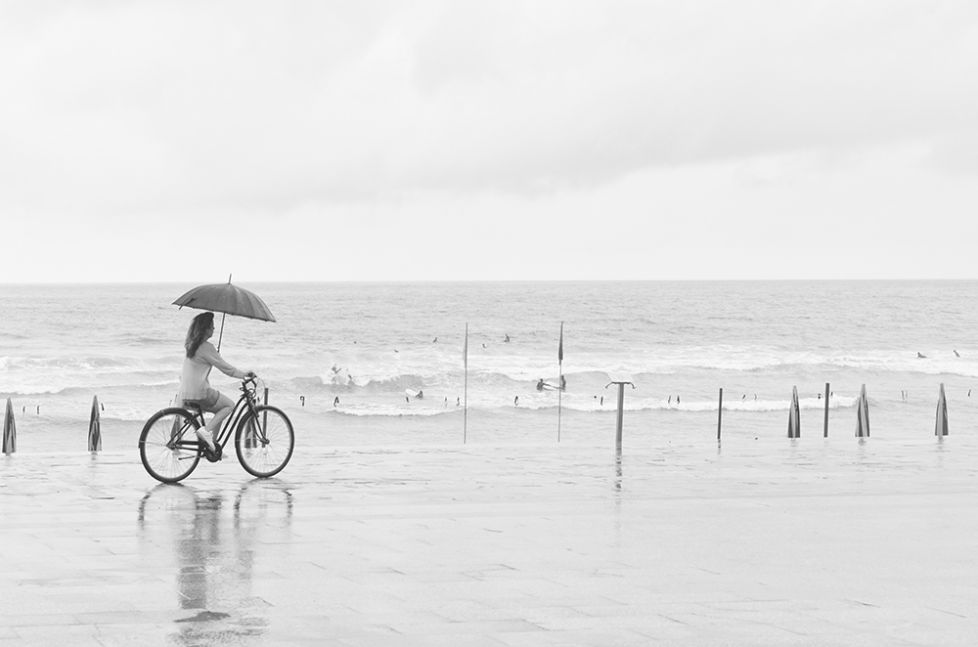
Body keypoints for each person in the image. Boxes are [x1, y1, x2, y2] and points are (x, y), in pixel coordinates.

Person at [179, 312, 254, 453]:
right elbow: (226, 369)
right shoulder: (207, 347)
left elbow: (205, 359)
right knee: (229, 405)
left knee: (218, 410)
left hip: (185, 392)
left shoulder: (190, 345)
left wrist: (214, 355)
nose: (214, 329)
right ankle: (206, 431)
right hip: (200, 392)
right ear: (206, 329)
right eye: (212, 326)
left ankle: (211, 447)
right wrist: (243, 375)